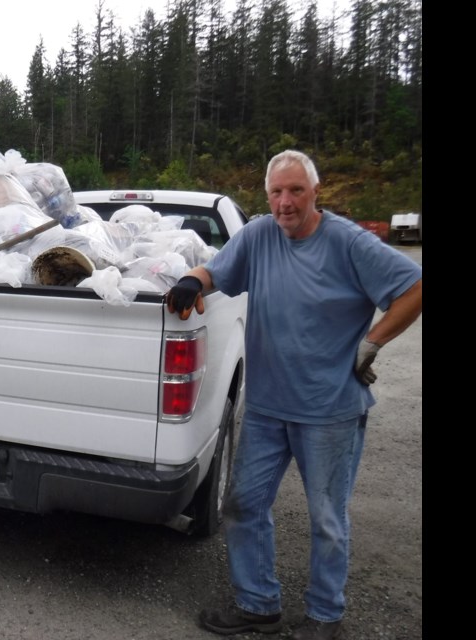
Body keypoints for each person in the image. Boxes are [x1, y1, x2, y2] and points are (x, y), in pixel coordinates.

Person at [165, 150, 422, 640]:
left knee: (327, 518)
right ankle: (258, 604)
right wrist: (189, 280)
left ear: (315, 193)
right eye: (277, 192)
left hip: (330, 411)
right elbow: (216, 272)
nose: (285, 202)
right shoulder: (259, 234)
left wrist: (373, 342)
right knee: (243, 505)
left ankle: (327, 618)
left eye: (295, 191)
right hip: (265, 409)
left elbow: (414, 287)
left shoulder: (349, 243)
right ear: (267, 196)